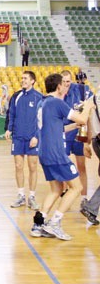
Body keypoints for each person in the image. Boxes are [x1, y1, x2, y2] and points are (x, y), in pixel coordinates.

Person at [30, 73, 93, 240]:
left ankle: (39, 223)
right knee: (76, 187)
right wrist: (88, 105)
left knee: (56, 189)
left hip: (44, 153)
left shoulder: (42, 103)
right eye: (63, 85)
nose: (66, 87)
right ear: (58, 86)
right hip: (56, 153)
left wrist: (74, 125)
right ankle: (55, 223)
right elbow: (83, 117)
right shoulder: (57, 103)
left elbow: (57, 128)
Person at [5, 71, 43, 210]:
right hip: (18, 137)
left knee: (33, 167)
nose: (23, 80)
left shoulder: (39, 97)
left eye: (25, 78)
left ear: (32, 81)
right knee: (18, 166)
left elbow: (41, 120)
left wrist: (37, 136)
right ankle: (20, 195)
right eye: (22, 78)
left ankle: (31, 197)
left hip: (32, 138)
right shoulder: (17, 96)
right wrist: (9, 129)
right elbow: (12, 114)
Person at [61, 70, 92, 205]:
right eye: (63, 81)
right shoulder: (58, 93)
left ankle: (84, 198)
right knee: (65, 165)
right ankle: (66, 192)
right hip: (65, 132)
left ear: (72, 80)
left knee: (81, 166)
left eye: (68, 81)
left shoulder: (81, 90)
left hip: (80, 131)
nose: (66, 84)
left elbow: (91, 105)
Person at [80, 87, 100, 225]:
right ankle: (91, 207)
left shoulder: (93, 97)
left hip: (95, 140)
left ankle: (91, 208)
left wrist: (85, 142)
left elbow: (84, 118)